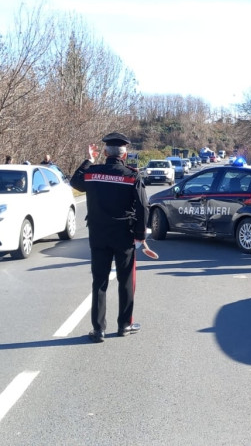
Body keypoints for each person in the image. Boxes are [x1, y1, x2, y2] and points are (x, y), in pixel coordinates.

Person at [70, 132, 148, 343]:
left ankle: (98, 330)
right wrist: (141, 236)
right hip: (124, 236)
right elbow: (143, 208)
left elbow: (74, 181)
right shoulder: (132, 176)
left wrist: (89, 160)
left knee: (100, 282)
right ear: (125, 154)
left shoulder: (92, 173)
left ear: (105, 152)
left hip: (98, 235)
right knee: (125, 281)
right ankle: (124, 325)